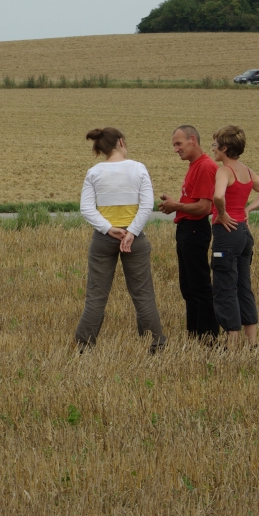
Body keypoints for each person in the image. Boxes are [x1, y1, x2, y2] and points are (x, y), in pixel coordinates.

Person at [76, 127, 165, 354]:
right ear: (121, 142)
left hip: (104, 239)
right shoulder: (138, 168)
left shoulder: (94, 172)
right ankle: (155, 345)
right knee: (143, 294)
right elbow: (147, 205)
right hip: (134, 239)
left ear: (101, 148)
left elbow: (86, 208)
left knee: (96, 295)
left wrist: (108, 228)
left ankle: (84, 347)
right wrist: (132, 232)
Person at [209, 125, 259, 351]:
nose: (213, 149)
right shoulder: (246, 170)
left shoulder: (224, 171)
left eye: (215, 145)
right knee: (243, 286)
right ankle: (252, 342)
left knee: (224, 285)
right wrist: (247, 210)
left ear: (225, 148)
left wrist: (223, 214)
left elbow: (218, 195)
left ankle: (232, 343)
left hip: (226, 234)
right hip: (245, 235)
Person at [157, 125, 220, 343]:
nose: (176, 149)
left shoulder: (205, 167)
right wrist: (176, 203)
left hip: (195, 229)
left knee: (199, 286)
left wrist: (176, 206)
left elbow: (204, 208)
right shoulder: (195, 165)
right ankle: (195, 336)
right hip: (187, 229)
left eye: (179, 143)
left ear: (193, 140)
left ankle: (208, 338)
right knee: (188, 286)